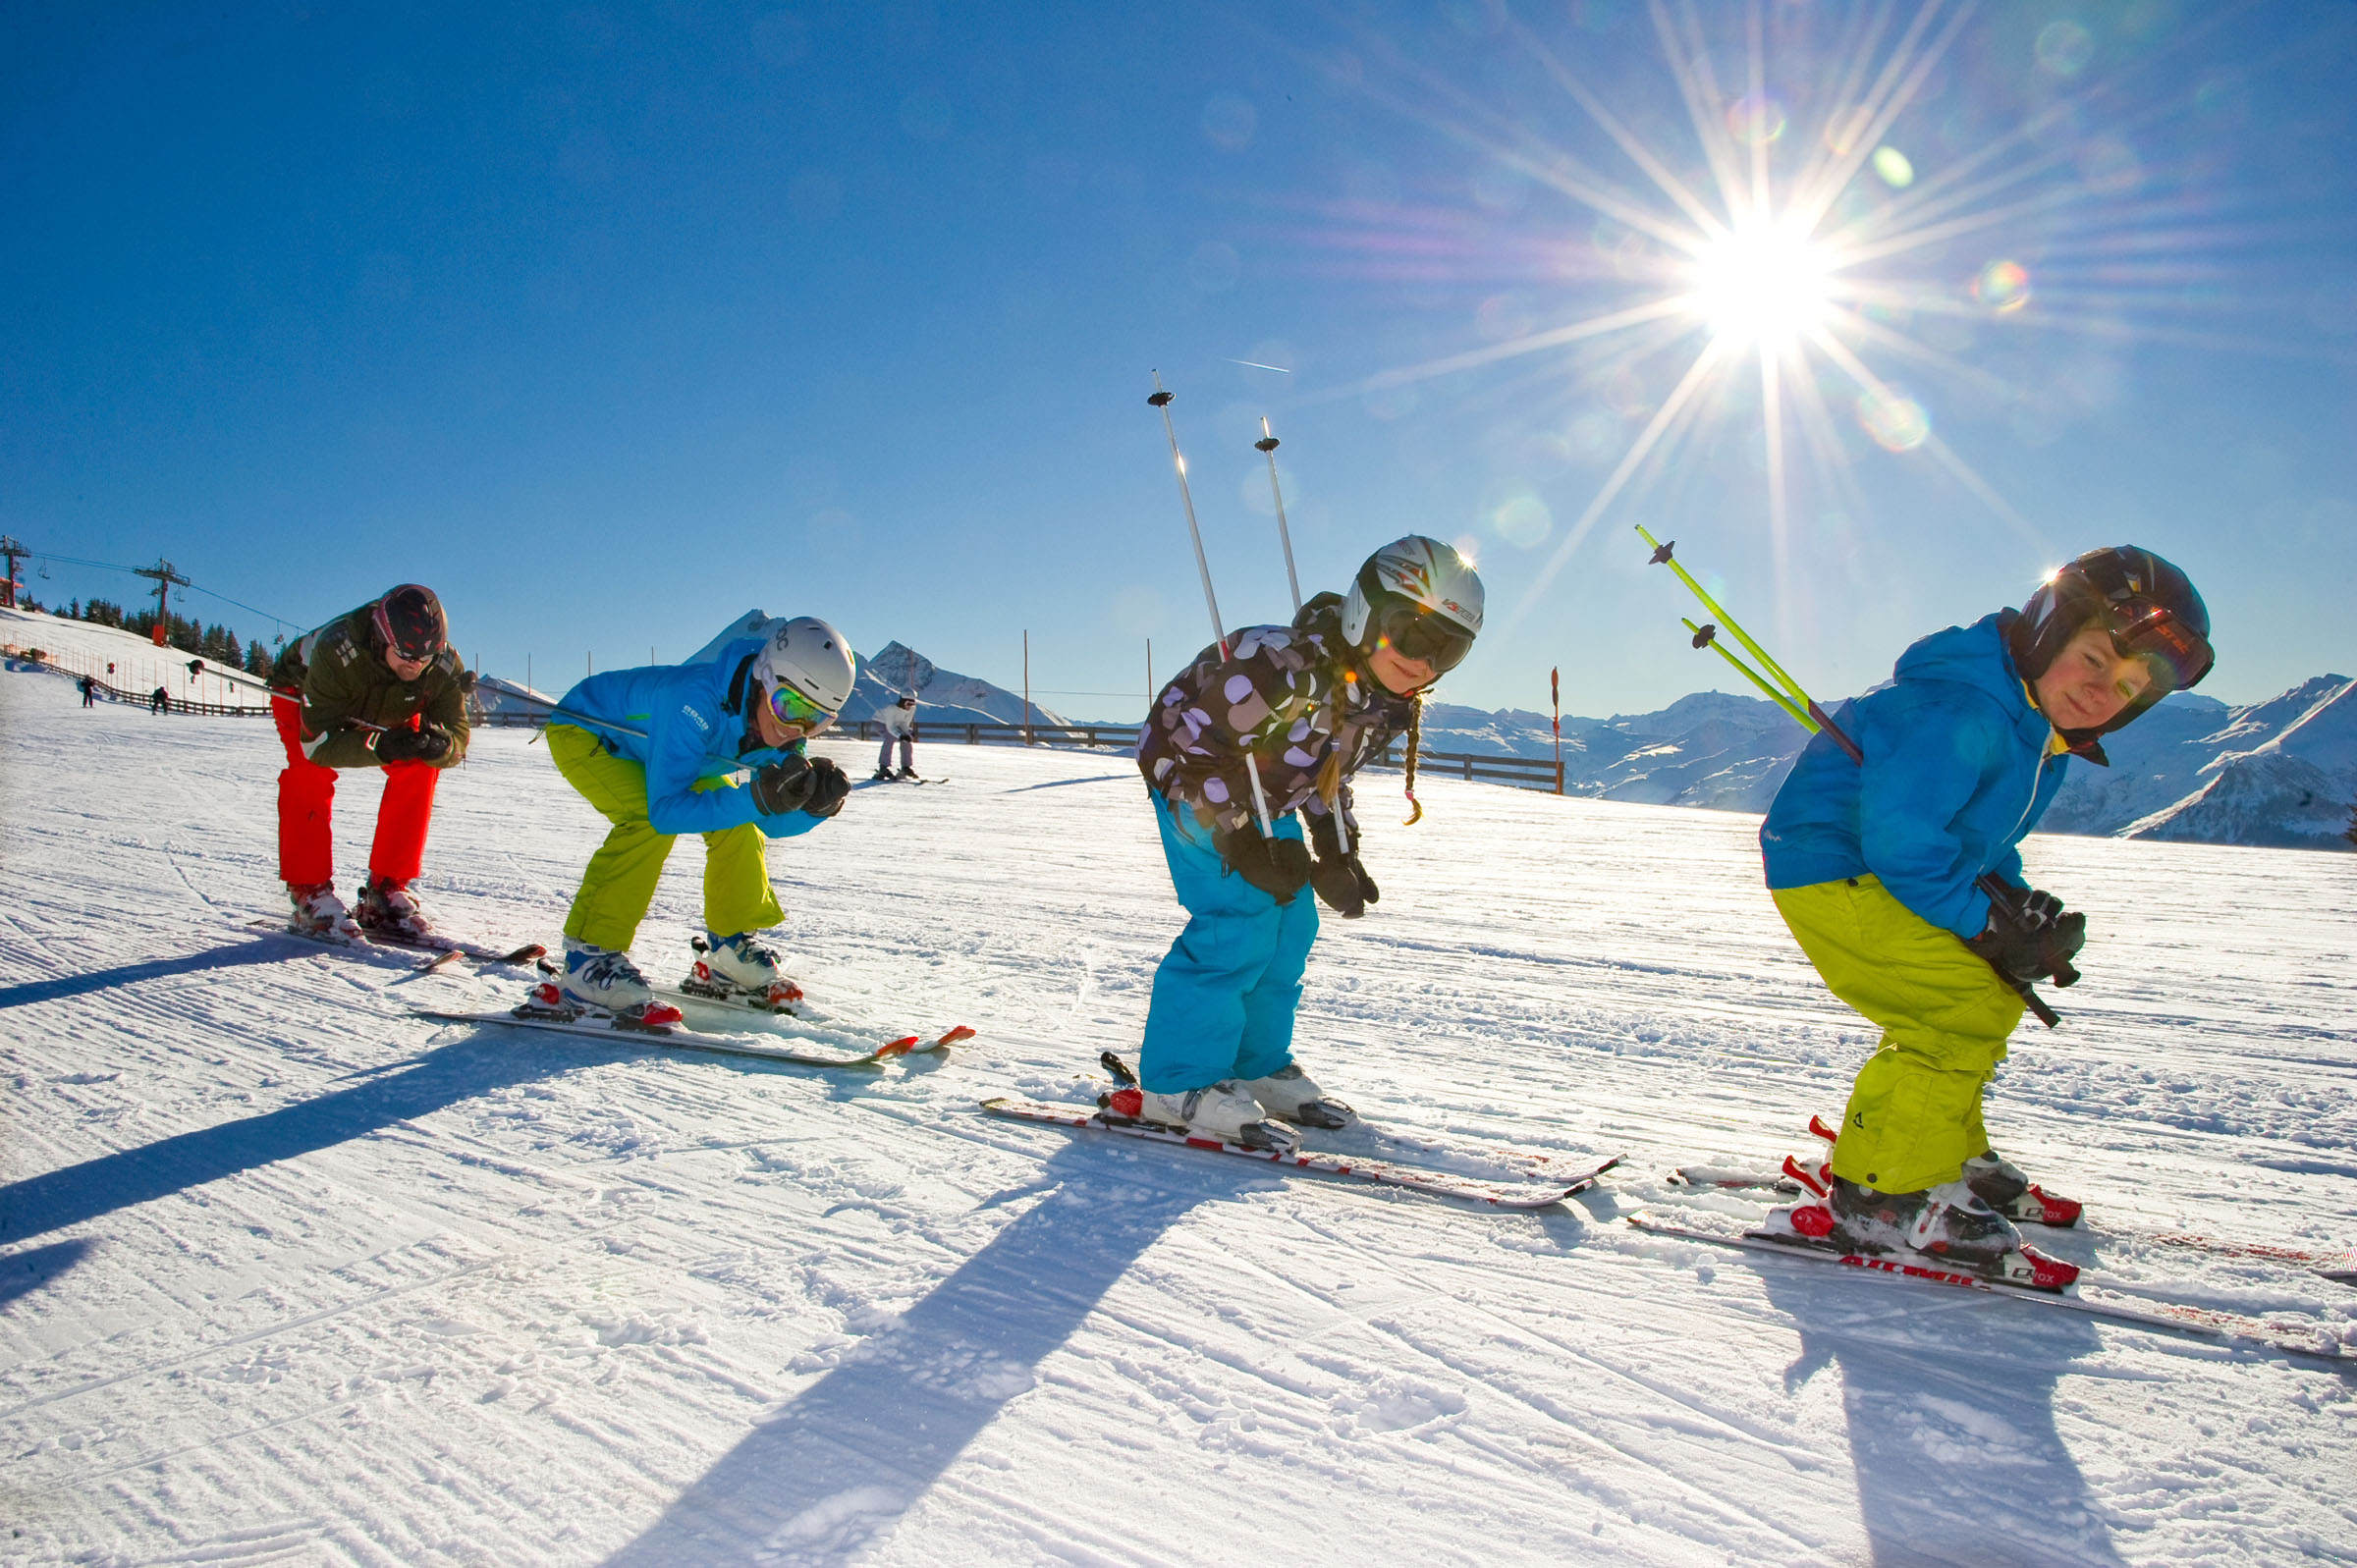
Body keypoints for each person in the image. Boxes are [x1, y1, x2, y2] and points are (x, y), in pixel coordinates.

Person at [1758, 546, 2215, 1285]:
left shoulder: (2035, 729)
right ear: (2047, 632)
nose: (2104, 692)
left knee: (1988, 991)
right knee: (1954, 1005)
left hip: (1884, 868)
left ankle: (1942, 1152)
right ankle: (1888, 1192)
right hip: (1836, 868)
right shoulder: (1960, 707)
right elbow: (1906, 843)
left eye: (2128, 686)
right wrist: (1980, 922)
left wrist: (2015, 908)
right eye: (2095, 659)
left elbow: (1975, 839)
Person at [1128, 535, 1483, 1149]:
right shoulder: (1274, 663)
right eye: (1412, 634)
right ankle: (1176, 1084)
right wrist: (1239, 841)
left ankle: (1255, 1063)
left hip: (1270, 798)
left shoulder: (1379, 700)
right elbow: (1191, 751)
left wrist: (1336, 846)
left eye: (1447, 650)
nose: (1424, 662)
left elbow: (1327, 773)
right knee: (1239, 917)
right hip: (1195, 787)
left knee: (1293, 922)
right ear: (1364, 613)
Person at [540, 616, 856, 1023]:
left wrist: (814, 808)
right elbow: (666, 810)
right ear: (764, 678)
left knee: (738, 821)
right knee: (645, 821)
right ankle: (588, 958)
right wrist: (757, 797)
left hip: (677, 754)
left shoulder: (780, 733)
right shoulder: (696, 701)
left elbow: (770, 821)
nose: (793, 729)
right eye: (788, 706)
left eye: (816, 720)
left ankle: (729, 948)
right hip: (591, 733)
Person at [268, 585, 469, 941]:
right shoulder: (336, 648)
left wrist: (442, 746)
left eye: (423, 658)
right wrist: (381, 744)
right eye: (405, 654)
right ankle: (309, 893)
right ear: (381, 638)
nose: (415, 664)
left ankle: (387, 889)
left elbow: (457, 733)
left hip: (389, 699)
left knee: (421, 764)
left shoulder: (441, 663)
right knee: (308, 773)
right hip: (308, 695)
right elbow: (318, 745)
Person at [874, 693, 918, 781]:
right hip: (880, 722)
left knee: (907, 740)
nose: (910, 706)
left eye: (912, 704)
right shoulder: (892, 708)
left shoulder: (912, 709)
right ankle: (883, 766)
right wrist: (900, 736)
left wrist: (907, 733)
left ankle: (906, 766)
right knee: (890, 737)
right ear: (903, 701)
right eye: (908, 704)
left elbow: (904, 723)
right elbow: (890, 727)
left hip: (897, 723)